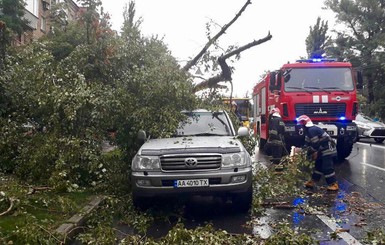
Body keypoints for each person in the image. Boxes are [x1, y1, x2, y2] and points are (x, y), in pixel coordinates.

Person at [297, 115, 339, 191]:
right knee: (318, 166)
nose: (300, 126)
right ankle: (312, 182)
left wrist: (313, 152)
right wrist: (301, 151)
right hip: (321, 150)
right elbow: (307, 144)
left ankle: (333, 184)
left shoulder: (312, 130)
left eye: (300, 124)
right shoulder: (308, 131)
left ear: (304, 123)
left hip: (327, 150)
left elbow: (315, 145)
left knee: (327, 167)